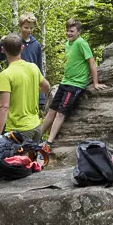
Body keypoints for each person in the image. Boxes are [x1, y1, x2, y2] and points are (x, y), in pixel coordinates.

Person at [39, 19, 106, 148]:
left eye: (72, 31)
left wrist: (96, 82)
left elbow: (91, 62)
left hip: (75, 85)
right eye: (67, 30)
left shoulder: (81, 43)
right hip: (65, 82)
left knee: (60, 113)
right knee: (51, 111)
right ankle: (37, 137)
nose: (69, 33)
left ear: (78, 32)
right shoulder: (67, 44)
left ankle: (49, 142)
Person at [0, 33, 51, 141]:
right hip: (36, 127)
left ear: (3, 50)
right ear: (22, 48)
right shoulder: (33, 67)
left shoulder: (6, 74)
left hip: (18, 131)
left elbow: (3, 107)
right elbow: (46, 86)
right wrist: (32, 90)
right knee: (32, 158)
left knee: (15, 158)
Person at [0, 13, 46, 113]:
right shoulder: (13, 42)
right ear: (20, 26)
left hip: (30, 87)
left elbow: (39, 69)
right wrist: (0, 43)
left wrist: (41, 97)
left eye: (31, 28)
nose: (29, 30)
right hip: (15, 84)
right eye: (26, 27)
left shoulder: (36, 45)